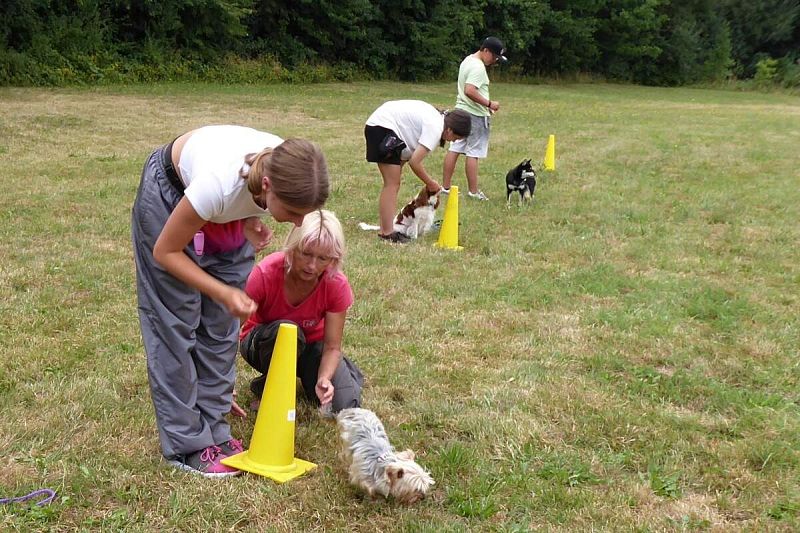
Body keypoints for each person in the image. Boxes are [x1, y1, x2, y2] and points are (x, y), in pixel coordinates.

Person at [131, 125, 329, 478]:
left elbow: (248, 194)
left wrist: (249, 218)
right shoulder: (217, 185)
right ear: (268, 187)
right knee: (175, 324)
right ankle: (188, 445)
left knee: (222, 326)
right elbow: (165, 252)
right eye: (295, 211)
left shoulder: (287, 170)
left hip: (225, 209)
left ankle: (214, 425)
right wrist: (221, 291)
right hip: (171, 197)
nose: (300, 223)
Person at [238, 210, 363, 414]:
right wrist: (222, 383)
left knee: (344, 407)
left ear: (333, 259)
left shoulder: (336, 284)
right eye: (306, 253)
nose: (312, 266)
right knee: (288, 331)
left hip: (312, 347)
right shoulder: (265, 272)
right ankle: (273, 388)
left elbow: (332, 346)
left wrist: (324, 378)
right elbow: (228, 331)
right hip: (261, 343)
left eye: (323, 258)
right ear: (293, 247)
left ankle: (340, 373)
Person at [364, 100, 471, 243]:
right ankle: (386, 233)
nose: (453, 141)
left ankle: (388, 228)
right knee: (392, 184)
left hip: (382, 125)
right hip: (382, 127)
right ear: (450, 130)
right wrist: (430, 183)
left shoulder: (437, 118)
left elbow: (409, 149)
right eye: (456, 138)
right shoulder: (435, 129)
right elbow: (415, 162)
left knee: (393, 182)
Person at [442, 36, 508, 202]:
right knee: (474, 153)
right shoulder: (478, 67)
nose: (494, 61)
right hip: (475, 116)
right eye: (494, 56)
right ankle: (473, 192)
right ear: (485, 50)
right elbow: (470, 90)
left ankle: (445, 187)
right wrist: (489, 104)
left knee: (455, 148)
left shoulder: (467, 60)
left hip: (460, 112)